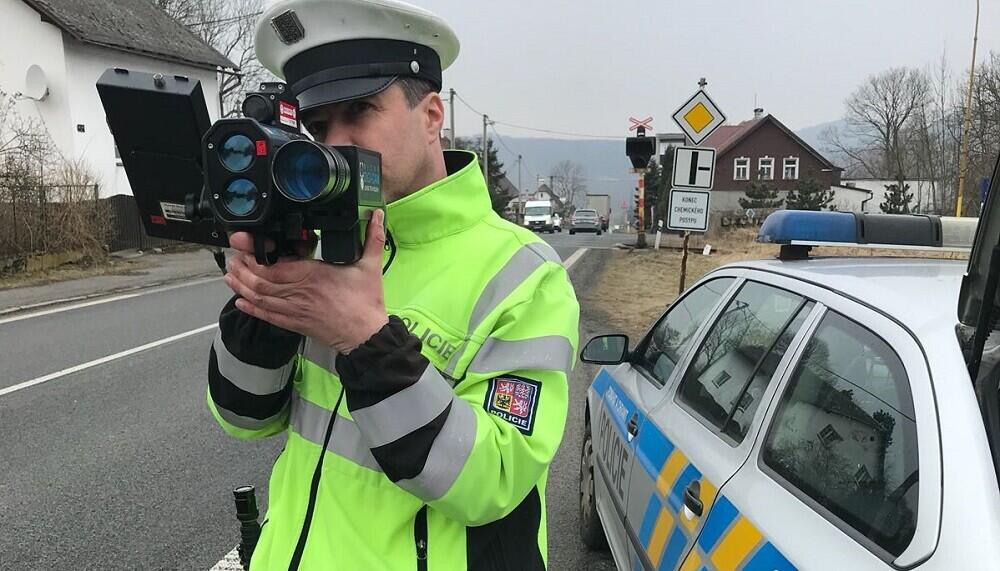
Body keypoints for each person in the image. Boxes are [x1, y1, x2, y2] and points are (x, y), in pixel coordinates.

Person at [206, 0, 581, 569]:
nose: (335, 142)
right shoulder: (318, 244)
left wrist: (365, 340)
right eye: (319, 126)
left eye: (359, 111)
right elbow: (244, 418)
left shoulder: (524, 275)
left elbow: (495, 481)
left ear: (431, 116)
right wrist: (263, 309)